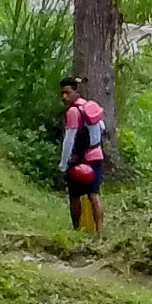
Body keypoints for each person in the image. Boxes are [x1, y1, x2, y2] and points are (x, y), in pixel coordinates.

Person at [56, 73, 110, 235]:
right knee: (94, 194)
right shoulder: (90, 107)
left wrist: (63, 165)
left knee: (74, 195)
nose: (64, 97)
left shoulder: (73, 112)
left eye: (67, 93)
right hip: (97, 156)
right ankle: (99, 232)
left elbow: (69, 140)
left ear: (75, 92)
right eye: (62, 93)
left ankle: (77, 230)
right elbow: (101, 128)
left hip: (80, 160)